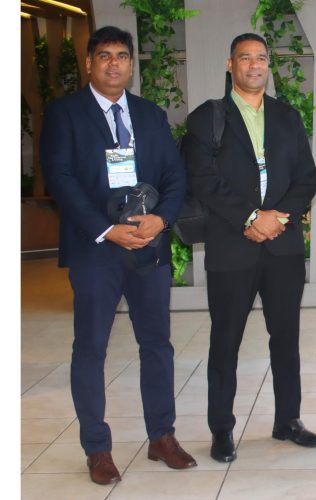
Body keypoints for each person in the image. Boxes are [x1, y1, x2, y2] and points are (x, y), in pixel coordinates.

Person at [39, 26, 196, 485]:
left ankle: (162, 437)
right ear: (90, 63)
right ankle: (98, 449)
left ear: (131, 64)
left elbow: (175, 175)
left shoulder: (150, 114)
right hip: (96, 250)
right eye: (104, 55)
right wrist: (107, 229)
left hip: (148, 245)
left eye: (122, 56)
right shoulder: (65, 113)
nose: (114, 63)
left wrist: (160, 220)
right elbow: (60, 178)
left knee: (157, 345)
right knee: (90, 348)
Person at [182, 33, 316, 463]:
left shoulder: (287, 116)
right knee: (225, 342)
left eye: (261, 57)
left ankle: (288, 420)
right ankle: (222, 430)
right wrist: (249, 218)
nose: (254, 64)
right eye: (245, 57)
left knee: (286, 338)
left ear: (268, 64)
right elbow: (203, 180)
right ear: (231, 65)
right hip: (231, 248)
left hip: (282, 248)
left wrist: (277, 218)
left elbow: (306, 178)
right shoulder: (208, 118)